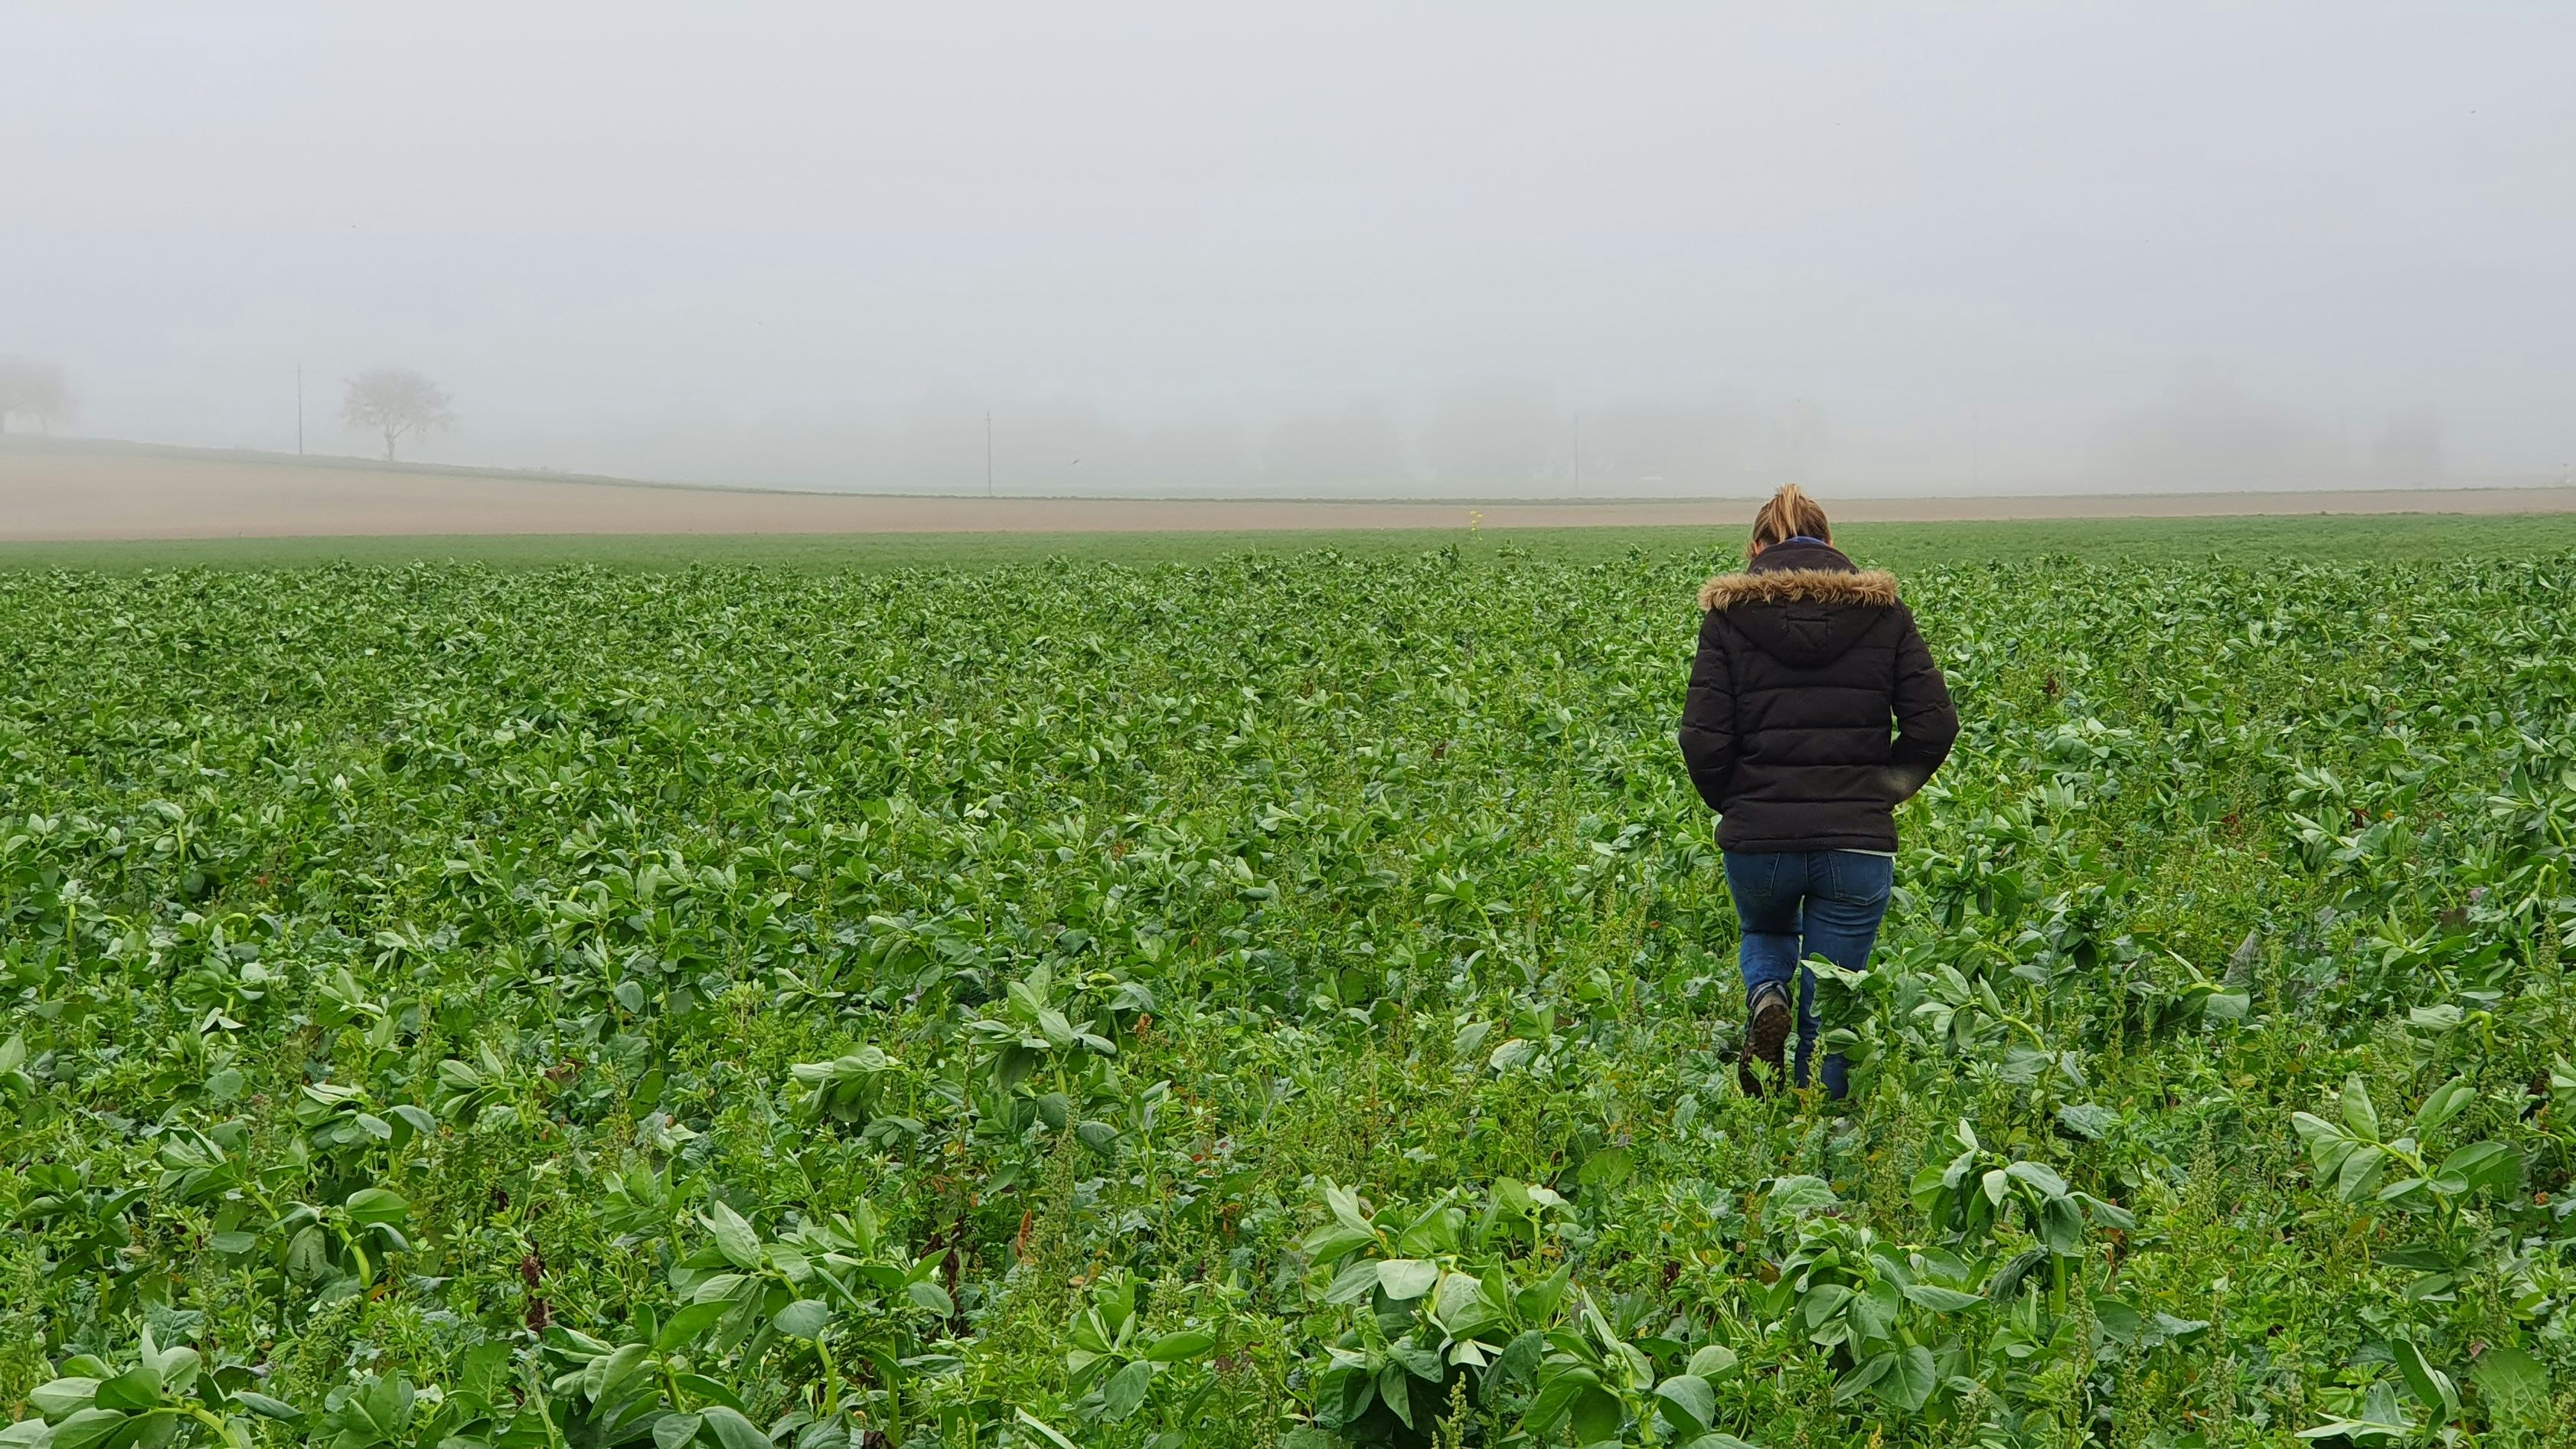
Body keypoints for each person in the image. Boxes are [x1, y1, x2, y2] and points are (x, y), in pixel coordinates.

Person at [1677, 485, 1958, 1098]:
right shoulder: (1885, 615)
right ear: (1830, 544)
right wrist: (1882, 787)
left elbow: (1701, 739)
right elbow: (1934, 723)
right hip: (1855, 842)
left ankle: (1766, 994)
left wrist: (1740, 802)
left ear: (1755, 549)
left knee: (1765, 933)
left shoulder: (1726, 619)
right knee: (1833, 1001)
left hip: (1758, 838)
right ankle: (1821, 1143)